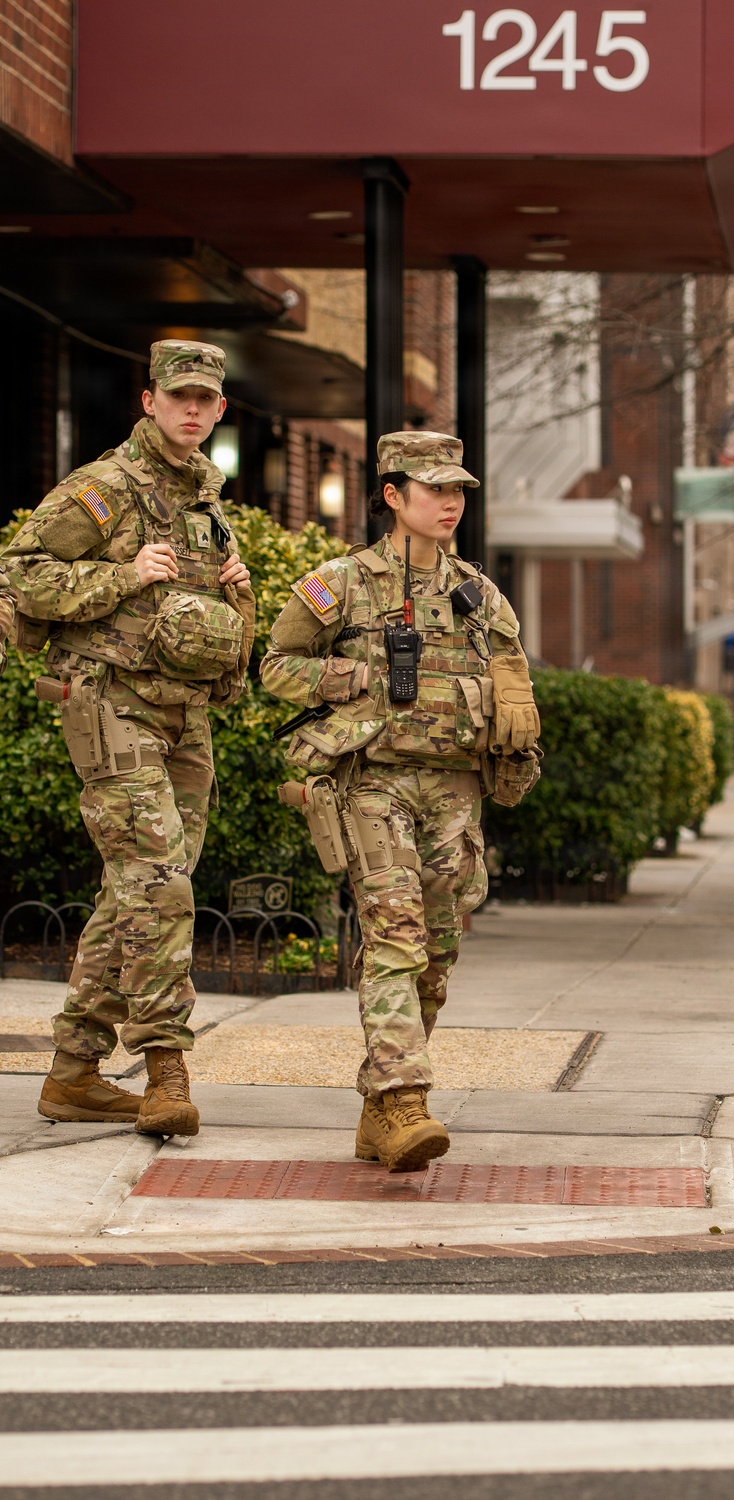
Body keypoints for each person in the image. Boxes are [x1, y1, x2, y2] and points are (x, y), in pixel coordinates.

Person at [261, 431, 540, 1172]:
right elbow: (275, 665)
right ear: (392, 496)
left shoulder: (480, 596)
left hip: (453, 789)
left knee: (437, 953)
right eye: (434, 489)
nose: (450, 503)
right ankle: (407, 1099)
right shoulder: (343, 584)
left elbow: (514, 686)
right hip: (373, 782)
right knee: (395, 938)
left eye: (458, 492)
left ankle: (378, 1108)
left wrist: (518, 749)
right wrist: (344, 681)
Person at [1, 341, 254, 1138]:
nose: (190, 410)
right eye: (176, 396)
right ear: (148, 402)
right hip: (111, 706)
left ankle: (74, 1071)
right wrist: (122, 574)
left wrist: (239, 602)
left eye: (204, 400)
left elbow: (197, 623)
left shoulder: (207, 500)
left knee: (137, 892)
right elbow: (19, 573)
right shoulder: (108, 487)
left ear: (219, 411)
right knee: (161, 886)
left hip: (185, 714)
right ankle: (164, 1067)